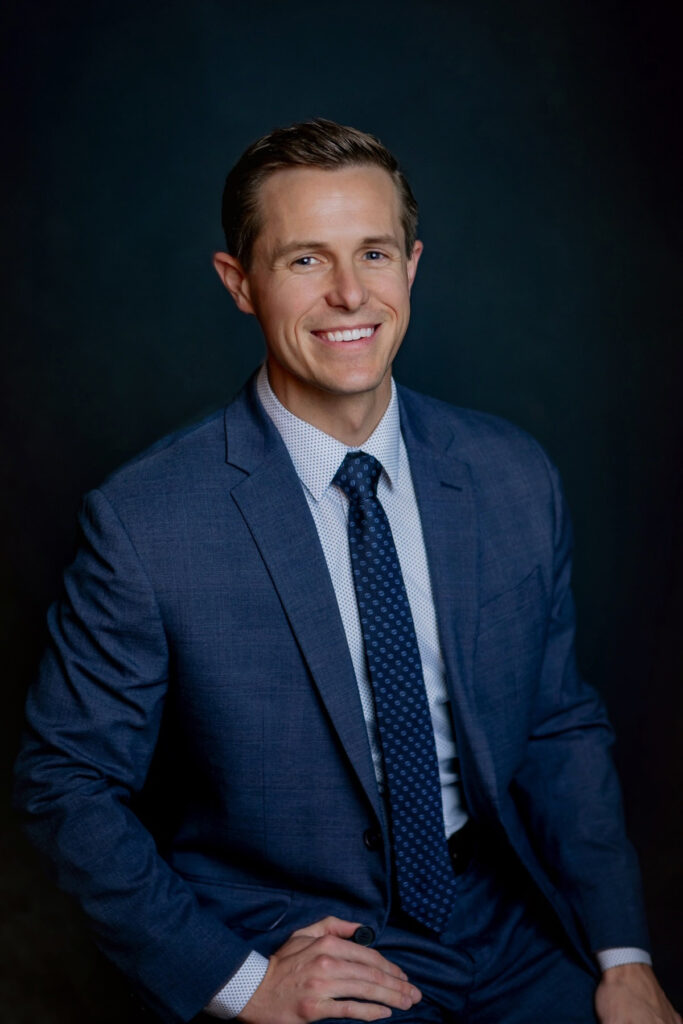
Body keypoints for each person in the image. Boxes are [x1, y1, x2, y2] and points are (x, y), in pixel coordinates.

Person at [13, 119, 679, 1024]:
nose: (348, 293)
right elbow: (65, 781)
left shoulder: (511, 474)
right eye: (304, 260)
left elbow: (557, 726)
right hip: (298, 939)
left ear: (411, 265)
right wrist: (240, 982)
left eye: (372, 253)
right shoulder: (146, 521)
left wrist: (622, 953)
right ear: (238, 283)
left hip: (509, 920)